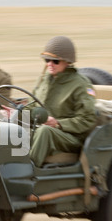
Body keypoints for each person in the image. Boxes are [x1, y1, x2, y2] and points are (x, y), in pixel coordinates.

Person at [27, 35, 98, 167]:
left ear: (67, 62)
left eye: (55, 61)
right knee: (11, 129)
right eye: (47, 60)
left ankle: (27, 172)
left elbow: (87, 119)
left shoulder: (81, 84)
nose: (50, 64)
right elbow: (32, 105)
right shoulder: (44, 80)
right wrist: (16, 112)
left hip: (70, 137)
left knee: (45, 132)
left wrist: (58, 123)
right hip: (41, 128)